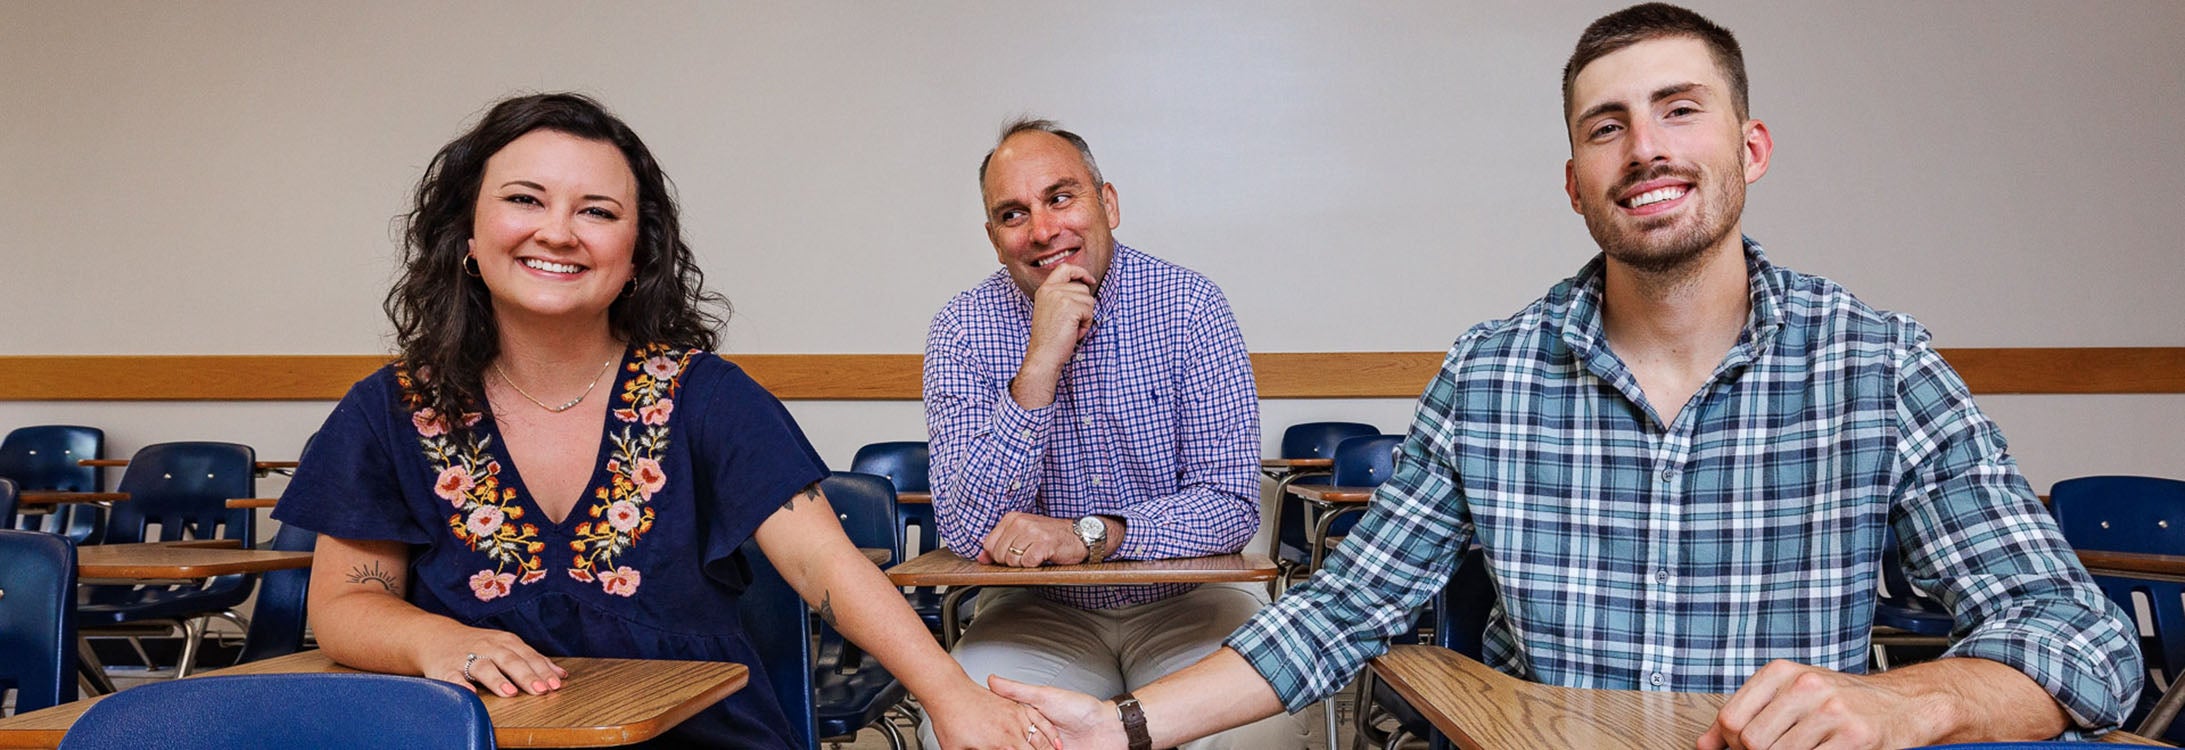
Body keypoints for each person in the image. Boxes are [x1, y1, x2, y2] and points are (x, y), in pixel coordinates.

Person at [993, 6, 2143, 749]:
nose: (1644, 147)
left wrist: (1911, 697)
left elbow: (2083, 643)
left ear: (1748, 148)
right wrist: (1126, 732)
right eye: (1607, 127)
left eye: (1678, 111)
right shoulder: (1489, 375)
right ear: (1575, 180)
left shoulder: (1878, 365)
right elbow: (1345, 612)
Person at [275, 93, 1056, 750]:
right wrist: (438, 641)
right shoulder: (388, 409)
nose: (558, 230)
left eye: (597, 210)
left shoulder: (706, 396)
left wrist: (950, 697)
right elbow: (344, 604)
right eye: (524, 199)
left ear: (637, 253)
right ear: (468, 238)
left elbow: (828, 567)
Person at [917, 118, 1307, 750]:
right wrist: (1040, 363)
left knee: (1257, 735)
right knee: (968, 734)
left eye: (1060, 197)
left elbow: (1231, 505)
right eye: (1014, 214)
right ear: (994, 240)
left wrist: (1089, 536)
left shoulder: (1191, 306)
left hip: (1191, 598)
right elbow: (965, 532)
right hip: (1036, 611)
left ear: (1108, 203)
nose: (1043, 230)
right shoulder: (961, 328)